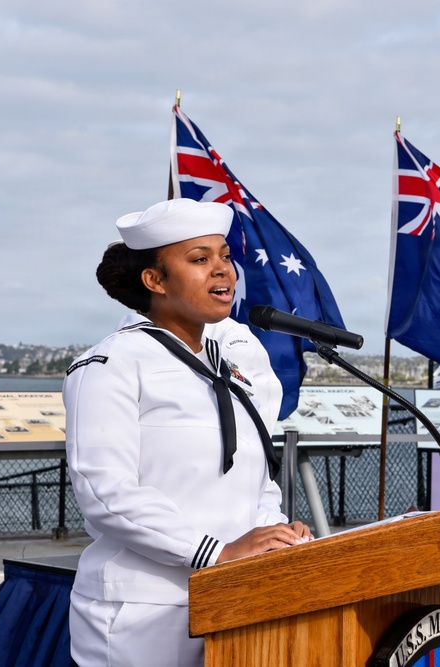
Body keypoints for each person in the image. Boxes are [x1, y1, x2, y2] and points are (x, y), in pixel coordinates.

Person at [63, 198, 312, 666]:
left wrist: (273, 535)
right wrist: (216, 552)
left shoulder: (238, 363)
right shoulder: (111, 366)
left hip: (237, 596)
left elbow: (257, 479)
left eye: (224, 256)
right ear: (154, 280)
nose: (223, 271)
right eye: (200, 260)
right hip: (144, 612)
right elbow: (106, 492)